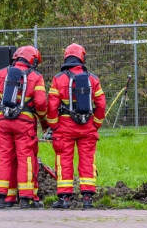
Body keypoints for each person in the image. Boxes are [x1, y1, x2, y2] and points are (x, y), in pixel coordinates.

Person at [0, 45, 48, 209]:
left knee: (3, 157)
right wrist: (45, 123)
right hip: (24, 124)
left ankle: (0, 198)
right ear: (33, 61)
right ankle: (26, 198)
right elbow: (40, 103)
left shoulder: (1, 74)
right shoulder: (36, 77)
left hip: (3, 123)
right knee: (25, 158)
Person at [46, 43, 107, 209]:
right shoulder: (93, 79)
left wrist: (53, 125)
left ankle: (64, 198)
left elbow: (51, 106)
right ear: (82, 57)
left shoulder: (59, 79)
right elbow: (101, 104)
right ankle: (87, 199)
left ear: (66, 57)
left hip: (64, 126)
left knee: (64, 160)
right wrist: (96, 124)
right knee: (87, 160)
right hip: (87, 126)